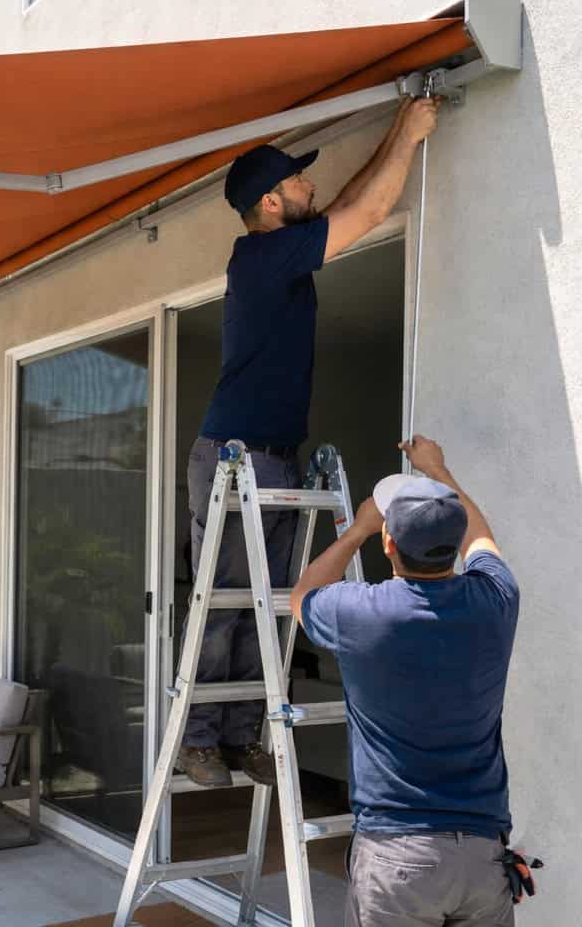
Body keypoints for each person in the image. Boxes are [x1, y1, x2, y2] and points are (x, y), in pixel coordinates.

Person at [178, 96, 441, 788]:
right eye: (298, 182)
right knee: (233, 597)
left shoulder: (281, 251)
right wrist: (411, 136)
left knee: (262, 599)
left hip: (270, 455)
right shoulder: (260, 257)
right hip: (236, 456)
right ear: (270, 202)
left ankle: (238, 739)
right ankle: (200, 740)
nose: (311, 186)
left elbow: (348, 205)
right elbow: (370, 214)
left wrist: (396, 129)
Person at [291, 435, 519, 926]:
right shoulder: (496, 602)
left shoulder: (361, 613)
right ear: (453, 548)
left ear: (389, 543)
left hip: (398, 854)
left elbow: (302, 596)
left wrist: (356, 530)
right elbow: (481, 542)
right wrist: (440, 472)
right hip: (483, 858)